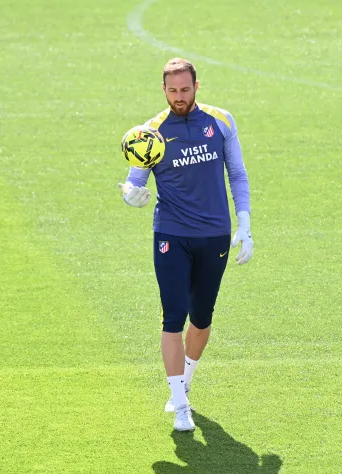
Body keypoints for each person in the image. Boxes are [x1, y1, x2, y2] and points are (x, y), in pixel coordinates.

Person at [117, 58, 253, 432]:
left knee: (202, 318)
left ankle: (185, 381)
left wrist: (245, 224)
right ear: (164, 89)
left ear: (197, 86)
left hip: (214, 234)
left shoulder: (220, 121)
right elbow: (134, 178)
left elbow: (237, 174)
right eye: (173, 90)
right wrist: (131, 194)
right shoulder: (153, 131)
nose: (179, 97)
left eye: (185, 89)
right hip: (172, 234)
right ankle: (180, 405)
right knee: (173, 316)